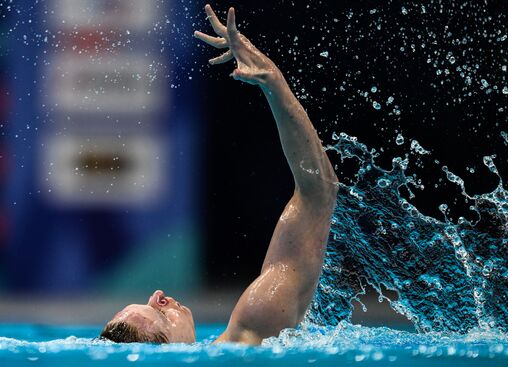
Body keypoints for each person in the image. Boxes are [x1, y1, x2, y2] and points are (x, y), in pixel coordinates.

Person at [100, 4, 338, 345]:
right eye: (161, 313)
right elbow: (317, 193)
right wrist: (274, 82)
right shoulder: (248, 334)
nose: (157, 295)